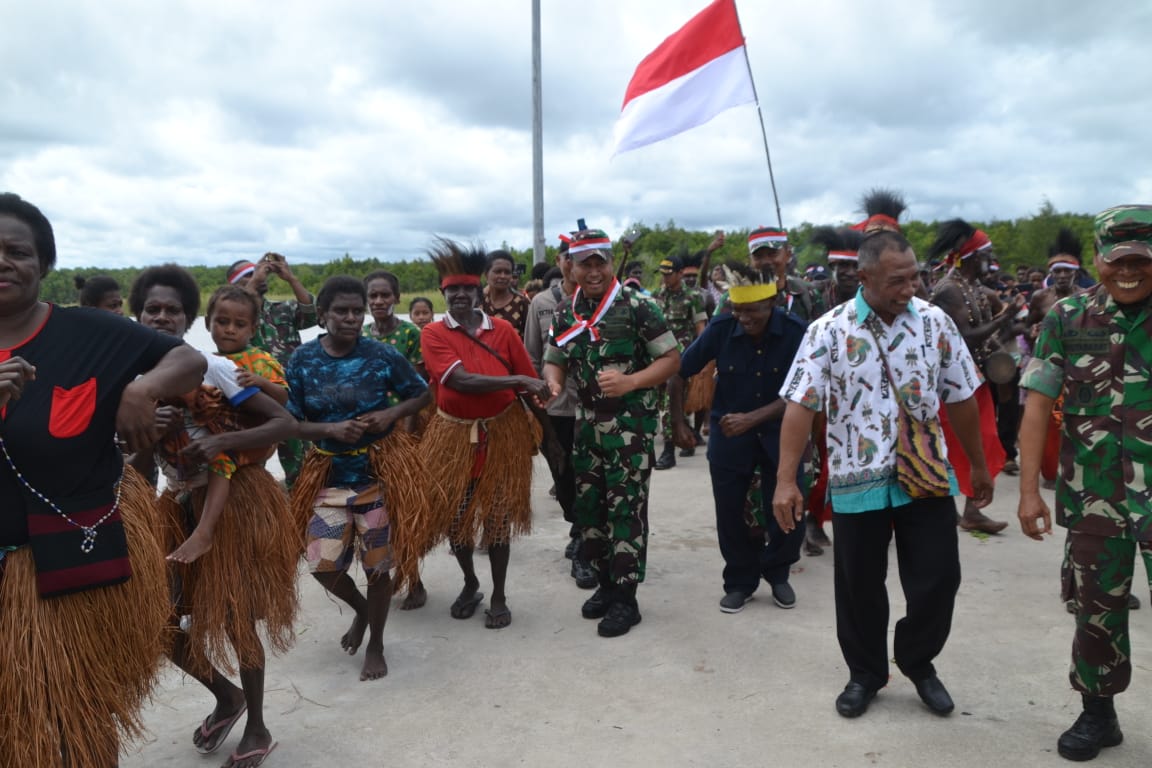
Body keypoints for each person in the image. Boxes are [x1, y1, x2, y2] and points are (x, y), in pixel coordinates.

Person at [0, 193, 205, 767]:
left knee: (79, 716)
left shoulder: (90, 332)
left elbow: (186, 361)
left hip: (64, 567)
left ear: (44, 264)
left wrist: (142, 388)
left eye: (16, 251)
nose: (2, 262)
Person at [773, 230, 994, 719]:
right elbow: (799, 407)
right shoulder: (828, 329)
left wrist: (976, 464)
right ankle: (866, 673)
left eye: (915, 275)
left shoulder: (935, 323)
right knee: (858, 586)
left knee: (939, 579)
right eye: (898, 279)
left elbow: (960, 397)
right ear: (865, 276)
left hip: (927, 477)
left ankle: (918, 660)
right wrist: (786, 480)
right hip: (856, 478)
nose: (910, 286)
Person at [130, 264, 299, 768]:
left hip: (234, 501)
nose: (160, 317)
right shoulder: (130, 375)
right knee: (158, 621)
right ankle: (227, 696)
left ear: (187, 319)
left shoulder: (210, 366)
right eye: (151, 309)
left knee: (236, 616)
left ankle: (258, 727)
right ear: (135, 313)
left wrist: (224, 441)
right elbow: (139, 463)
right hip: (175, 500)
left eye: (170, 310)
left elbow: (284, 421)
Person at [1017, 205, 1152, 762]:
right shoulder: (1067, 318)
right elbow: (1039, 403)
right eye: (1116, 260)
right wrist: (1028, 491)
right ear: (1097, 259)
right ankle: (1099, 715)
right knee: (1096, 611)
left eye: (1141, 262)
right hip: (1095, 497)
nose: (1128, 272)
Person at [287, 276, 430, 681]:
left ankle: (377, 643)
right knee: (322, 565)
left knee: (378, 567)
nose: (351, 318)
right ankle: (364, 613)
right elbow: (291, 421)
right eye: (341, 311)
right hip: (328, 478)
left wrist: (389, 415)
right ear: (322, 315)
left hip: (378, 474)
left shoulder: (382, 355)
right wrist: (329, 431)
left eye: (356, 310)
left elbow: (422, 393)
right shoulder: (302, 360)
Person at [543, 228, 681, 637]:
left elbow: (672, 360)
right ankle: (605, 584)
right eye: (585, 262)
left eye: (600, 261)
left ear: (608, 261)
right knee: (590, 510)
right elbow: (554, 359)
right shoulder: (568, 312)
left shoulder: (638, 305)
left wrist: (632, 382)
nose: (594, 270)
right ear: (571, 265)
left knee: (626, 511)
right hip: (587, 427)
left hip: (630, 428)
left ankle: (626, 598)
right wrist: (552, 382)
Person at [421, 239, 550, 630]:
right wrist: (518, 379)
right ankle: (470, 581)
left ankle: (498, 594)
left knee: (497, 521)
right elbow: (459, 380)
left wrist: (547, 415)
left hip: (502, 434)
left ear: (479, 292)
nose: (460, 296)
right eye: (452, 290)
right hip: (452, 436)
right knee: (455, 518)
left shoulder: (504, 330)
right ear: (443, 293)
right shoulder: (434, 332)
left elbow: (529, 382)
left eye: (467, 289)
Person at [672, 263, 807, 613]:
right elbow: (678, 372)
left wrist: (753, 418)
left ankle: (778, 574)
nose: (744, 319)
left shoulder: (796, 332)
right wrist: (678, 424)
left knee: (787, 506)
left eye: (753, 311)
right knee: (729, 511)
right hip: (729, 436)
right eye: (738, 310)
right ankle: (740, 581)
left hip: (781, 433)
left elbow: (804, 394)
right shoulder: (721, 328)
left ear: (773, 303)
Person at [164, 284, 292, 565]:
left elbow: (283, 399)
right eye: (222, 322)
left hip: (252, 442)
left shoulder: (259, 360)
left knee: (220, 458)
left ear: (253, 328)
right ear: (208, 323)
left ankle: (204, 532)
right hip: (224, 437)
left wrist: (259, 381)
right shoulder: (204, 361)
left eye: (239, 324)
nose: (230, 330)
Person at [927, 220, 1012, 534]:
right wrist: (1005, 319)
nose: (992, 259)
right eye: (987, 253)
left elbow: (985, 337)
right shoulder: (949, 289)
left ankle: (973, 509)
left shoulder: (974, 287)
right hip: (952, 384)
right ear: (973, 256)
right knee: (952, 446)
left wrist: (1014, 322)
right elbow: (966, 337)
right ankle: (953, 509)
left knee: (984, 441)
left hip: (974, 380)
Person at [523, 237, 596, 588]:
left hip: (595, 408)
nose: (575, 263)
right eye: (571, 258)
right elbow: (532, 356)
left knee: (591, 476)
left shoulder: (602, 302)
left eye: (583, 258)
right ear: (562, 261)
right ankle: (577, 524)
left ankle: (586, 541)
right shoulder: (540, 303)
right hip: (557, 408)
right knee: (563, 475)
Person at [229, 253, 318, 487]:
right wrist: (254, 282)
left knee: (302, 466)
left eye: (259, 272)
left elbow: (312, 315)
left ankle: (301, 511)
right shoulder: (233, 318)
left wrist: (291, 278)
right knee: (250, 468)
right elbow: (239, 307)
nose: (259, 276)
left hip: (290, 398)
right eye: (247, 276)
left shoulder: (282, 309)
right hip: (252, 400)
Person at [652, 254, 707, 470]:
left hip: (682, 360)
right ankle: (687, 436)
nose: (665, 278)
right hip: (658, 357)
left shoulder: (692, 296)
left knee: (669, 404)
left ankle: (668, 451)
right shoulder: (657, 296)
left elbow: (701, 329)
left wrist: (703, 363)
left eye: (669, 273)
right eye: (663, 274)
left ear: (680, 273)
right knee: (667, 404)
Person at [480, 249, 530, 337]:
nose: (503, 276)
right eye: (498, 271)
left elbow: (530, 339)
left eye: (507, 272)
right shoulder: (478, 302)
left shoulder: (522, 303)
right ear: (486, 274)